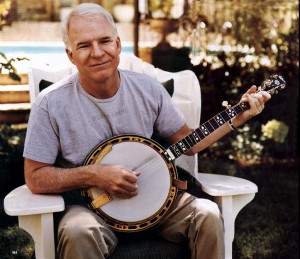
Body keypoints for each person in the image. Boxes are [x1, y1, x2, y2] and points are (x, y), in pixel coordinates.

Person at [23, 3, 271, 259]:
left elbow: (190, 141)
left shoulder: (148, 89)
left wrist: (236, 118)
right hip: (90, 207)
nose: (97, 52)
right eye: (84, 45)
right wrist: (94, 175)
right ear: (70, 55)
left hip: (157, 203)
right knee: (77, 230)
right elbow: (35, 177)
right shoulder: (50, 104)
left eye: (105, 41)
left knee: (206, 213)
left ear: (118, 45)